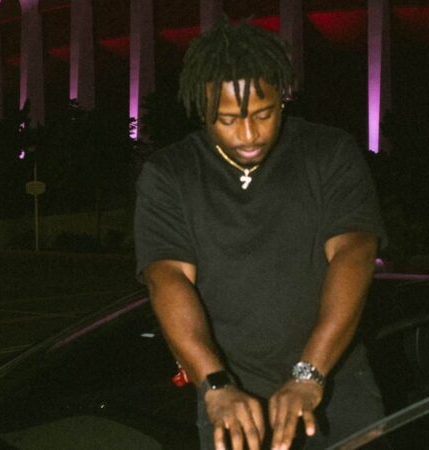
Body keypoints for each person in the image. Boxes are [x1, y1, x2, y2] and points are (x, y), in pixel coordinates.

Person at [134, 18, 387, 450]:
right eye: (228, 120)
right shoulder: (170, 175)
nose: (249, 134)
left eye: (263, 114)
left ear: (282, 99)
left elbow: (354, 254)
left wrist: (310, 373)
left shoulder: (327, 154)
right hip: (231, 399)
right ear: (202, 110)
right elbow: (168, 278)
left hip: (337, 384)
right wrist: (214, 385)